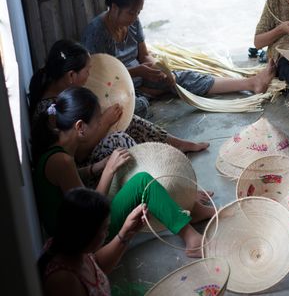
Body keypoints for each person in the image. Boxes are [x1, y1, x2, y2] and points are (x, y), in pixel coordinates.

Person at [32, 87, 212, 257]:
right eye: (98, 121)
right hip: (81, 238)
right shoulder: (62, 161)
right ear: (80, 127)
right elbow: (89, 213)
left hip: (75, 227)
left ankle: (188, 211)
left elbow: (74, 178)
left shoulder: (56, 151)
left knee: (133, 179)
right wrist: (108, 171)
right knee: (143, 182)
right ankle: (191, 238)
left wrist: (97, 167)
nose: (100, 125)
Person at [81, 0, 275, 119]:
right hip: (116, 89)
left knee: (183, 78)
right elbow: (102, 79)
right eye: (131, 12)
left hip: (142, 77)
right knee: (137, 108)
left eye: (138, 12)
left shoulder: (132, 22)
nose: (135, 17)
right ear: (114, 8)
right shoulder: (97, 31)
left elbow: (144, 55)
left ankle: (251, 83)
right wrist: (138, 72)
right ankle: (149, 92)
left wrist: (156, 68)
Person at [29, 39, 209, 174]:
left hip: (86, 143)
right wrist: (105, 123)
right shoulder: (50, 113)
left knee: (126, 117)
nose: (90, 75)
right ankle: (152, 174)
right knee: (118, 139)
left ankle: (178, 144)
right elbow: (78, 154)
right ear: (71, 76)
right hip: (81, 169)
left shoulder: (61, 90)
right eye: (87, 71)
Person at [38, 188, 144, 296]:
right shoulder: (64, 282)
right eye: (105, 228)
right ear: (86, 234)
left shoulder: (68, 246)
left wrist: (126, 232)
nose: (107, 233)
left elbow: (96, 265)